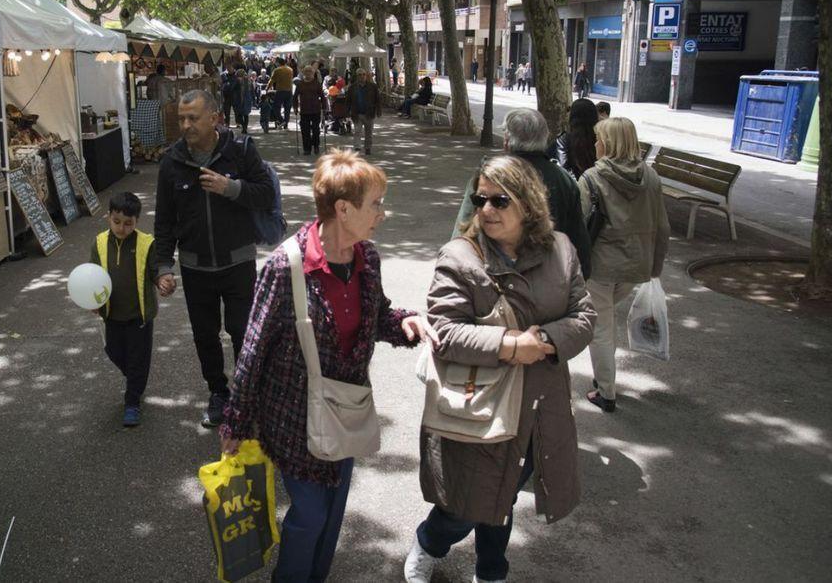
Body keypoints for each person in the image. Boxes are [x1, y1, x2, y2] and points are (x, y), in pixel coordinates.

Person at [221, 150, 437, 582]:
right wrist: (236, 422)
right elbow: (253, 348)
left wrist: (406, 322)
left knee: (333, 507)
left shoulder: (367, 259)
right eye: (375, 203)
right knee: (311, 514)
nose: (383, 212)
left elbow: (376, 316)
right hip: (292, 417)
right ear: (343, 208)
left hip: (345, 410)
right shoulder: (288, 266)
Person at [405, 155, 595, 583]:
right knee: (466, 502)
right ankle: (429, 541)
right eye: (480, 199)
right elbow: (445, 332)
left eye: (499, 200)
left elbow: (584, 316)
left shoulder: (561, 250)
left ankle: (491, 570)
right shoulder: (459, 257)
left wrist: (543, 342)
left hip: (539, 408)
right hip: (479, 404)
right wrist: (512, 345)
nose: (486, 209)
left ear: (527, 204)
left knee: (504, 492)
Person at [154, 90, 276, 428]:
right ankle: (218, 393)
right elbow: (163, 221)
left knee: (241, 331)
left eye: (193, 118)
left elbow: (265, 194)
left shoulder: (240, 151)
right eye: (182, 118)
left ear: (215, 118)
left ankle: (245, 395)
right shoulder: (172, 162)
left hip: (238, 262)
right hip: (195, 267)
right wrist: (163, 267)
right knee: (205, 336)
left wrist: (231, 188)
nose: (186, 125)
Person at [578, 117, 670, 413]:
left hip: (601, 267)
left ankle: (606, 392)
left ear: (609, 143)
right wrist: (655, 268)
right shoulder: (652, 178)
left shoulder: (592, 178)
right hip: (636, 267)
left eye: (599, 139)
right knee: (607, 323)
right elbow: (663, 227)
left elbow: (578, 226)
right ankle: (605, 380)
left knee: (602, 329)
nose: (595, 144)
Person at [452, 108, 591, 278]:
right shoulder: (563, 180)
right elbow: (579, 242)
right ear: (545, 138)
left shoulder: (488, 176)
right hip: (548, 279)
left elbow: (464, 226)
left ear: (507, 140)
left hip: (491, 276)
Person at [90, 192, 160, 427]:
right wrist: (93, 300)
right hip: (112, 313)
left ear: (137, 221)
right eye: (117, 222)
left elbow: (154, 271)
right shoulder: (99, 243)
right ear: (108, 217)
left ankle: (132, 402)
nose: (122, 228)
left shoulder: (146, 243)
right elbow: (92, 275)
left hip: (139, 314)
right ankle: (135, 379)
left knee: (138, 359)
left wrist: (163, 280)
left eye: (128, 224)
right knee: (114, 351)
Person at [557, 98, 600, 179]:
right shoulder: (600, 138)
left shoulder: (564, 139)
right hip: (597, 184)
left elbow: (564, 168)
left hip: (574, 186)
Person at [347, 68, 382, 155]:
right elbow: (348, 101)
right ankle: (357, 147)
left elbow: (378, 99)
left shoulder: (373, 86)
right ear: (357, 76)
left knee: (369, 132)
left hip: (369, 113)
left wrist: (379, 111)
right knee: (357, 131)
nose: (362, 76)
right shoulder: (352, 87)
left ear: (366, 76)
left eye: (363, 74)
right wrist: (346, 113)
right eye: (359, 75)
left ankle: (367, 148)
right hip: (357, 113)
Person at [295, 65, 327, 155]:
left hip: (315, 110)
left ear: (313, 73)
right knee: (305, 130)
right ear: (304, 73)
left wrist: (324, 107)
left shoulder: (316, 83)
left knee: (316, 130)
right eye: (306, 71)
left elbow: (322, 96)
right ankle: (307, 148)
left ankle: (316, 146)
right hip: (304, 111)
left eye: (310, 71)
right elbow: (295, 97)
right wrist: (295, 107)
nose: (308, 73)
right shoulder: (300, 84)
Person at [268, 59, 295, 130]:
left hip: (280, 91)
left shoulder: (277, 70)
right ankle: (286, 124)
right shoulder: (290, 70)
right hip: (289, 91)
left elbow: (272, 80)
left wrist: (267, 89)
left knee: (275, 107)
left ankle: (281, 120)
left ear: (278, 63)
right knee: (287, 109)